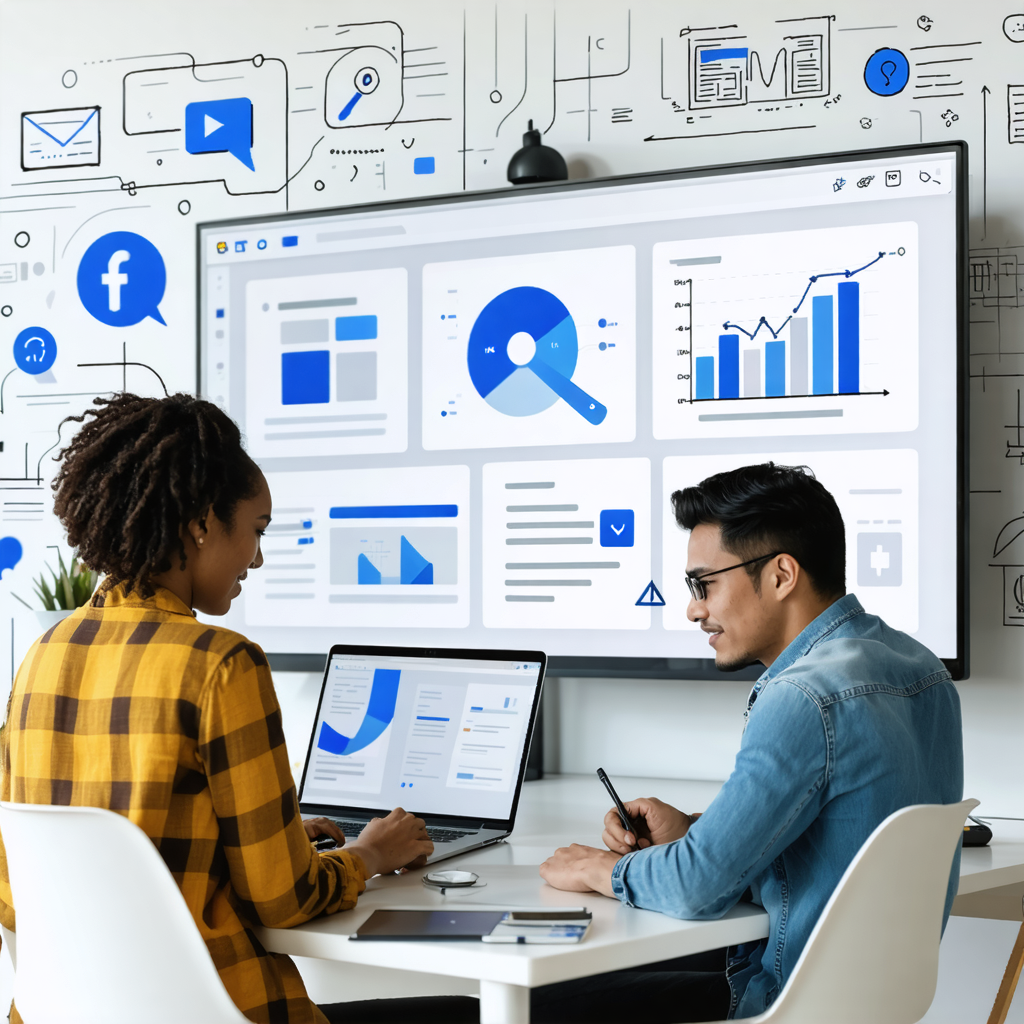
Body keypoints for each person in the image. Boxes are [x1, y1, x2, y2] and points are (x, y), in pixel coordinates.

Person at [0, 393, 467, 1024]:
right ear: (201, 523)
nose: (259, 556)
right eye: (256, 529)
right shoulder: (221, 664)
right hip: (230, 1013)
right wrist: (370, 855)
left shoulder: (42, 654)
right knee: (478, 1010)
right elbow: (284, 899)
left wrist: (246, 847)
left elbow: (17, 892)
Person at [537, 462, 963, 1022]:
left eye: (704, 584)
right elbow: (835, 851)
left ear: (782, 575)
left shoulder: (804, 696)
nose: (693, 608)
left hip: (778, 998)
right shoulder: (922, 669)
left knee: (522, 1000)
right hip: (867, 1003)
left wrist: (597, 870)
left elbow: (696, 888)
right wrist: (697, 832)